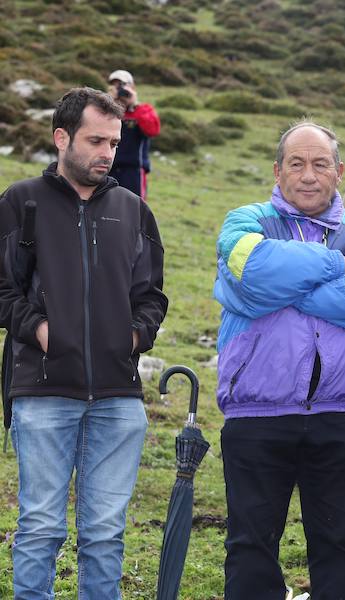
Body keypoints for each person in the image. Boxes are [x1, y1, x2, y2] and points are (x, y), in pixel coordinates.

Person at [0, 87, 168, 598]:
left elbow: (152, 296)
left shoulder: (134, 210)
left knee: (104, 535)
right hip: (43, 390)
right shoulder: (19, 202)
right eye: (96, 140)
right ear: (61, 137)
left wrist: (135, 337)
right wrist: (43, 332)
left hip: (118, 397)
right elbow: (2, 289)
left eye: (114, 143)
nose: (107, 153)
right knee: (41, 528)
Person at [213, 122, 345, 599]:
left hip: (343, 415)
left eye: (320, 164)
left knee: (341, 546)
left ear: (339, 171)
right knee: (250, 547)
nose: (309, 175)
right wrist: (336, 264)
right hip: (256, 413)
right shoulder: (245, 220)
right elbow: (255, 274)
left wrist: (284, 289)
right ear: (277, 169)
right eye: (297, 163)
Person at [107, 69, 160, 199]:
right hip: (107, 168)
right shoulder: (107, 111)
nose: (119, 89)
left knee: (134, 210)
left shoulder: (143, 110)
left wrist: (134, 105)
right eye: (115, 85)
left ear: (132, 87)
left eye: (122, 85)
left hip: (134, 171)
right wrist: (109, 103)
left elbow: (152, 130)